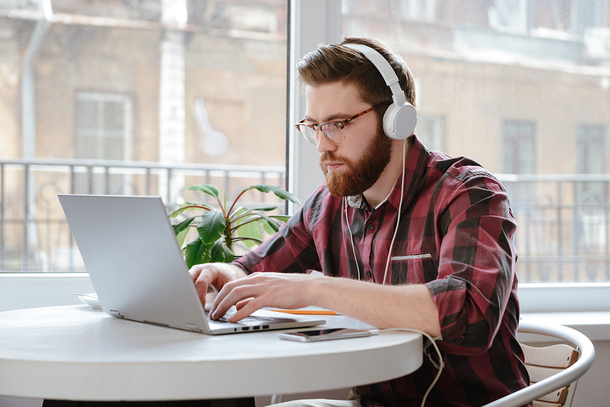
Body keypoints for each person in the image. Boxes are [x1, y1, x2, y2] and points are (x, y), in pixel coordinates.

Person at [190, 37, 529, 407]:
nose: (323, 145)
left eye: (338, 124)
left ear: (396, 120)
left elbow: (470, 316)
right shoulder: (328, 205)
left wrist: (317, 289)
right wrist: (227, 275)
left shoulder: (469, 192)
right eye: (314, 126)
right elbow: (258, 270)